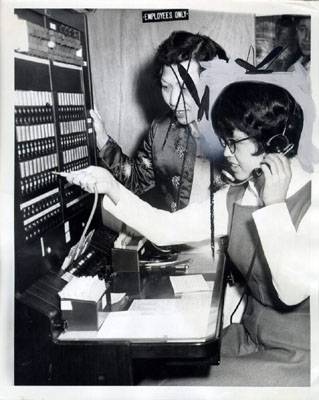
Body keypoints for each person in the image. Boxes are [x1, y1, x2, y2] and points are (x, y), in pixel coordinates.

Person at [65, 80, 317, 386]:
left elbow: (292, 290)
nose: (225, 152)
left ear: (274, 146)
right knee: (151, 379)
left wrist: (275, 204)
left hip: (303, 358)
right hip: (251, 338)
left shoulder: (312, 201)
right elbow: (165, 228)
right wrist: (111, 186)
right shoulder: (240, 194)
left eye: (233, 141)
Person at [92, 30, 228, 212]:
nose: (172, 99)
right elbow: (137, 180)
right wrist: (102, 140)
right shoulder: (160, 130)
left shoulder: (240, 132)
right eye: (166, 87)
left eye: (185, 88)